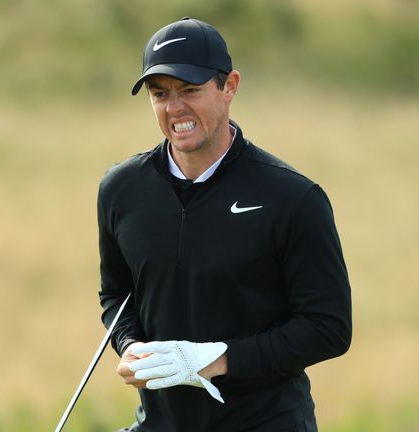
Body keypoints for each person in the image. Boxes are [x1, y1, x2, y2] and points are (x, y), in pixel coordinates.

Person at [97, 17, 352, 432]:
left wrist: (215, 360)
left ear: (229, 86)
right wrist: (132, 347)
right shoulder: (121, 189)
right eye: (160, 94)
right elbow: (117, 294)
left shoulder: (293, 198)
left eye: (190, 90)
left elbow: (329, 328)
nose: (174, 108)